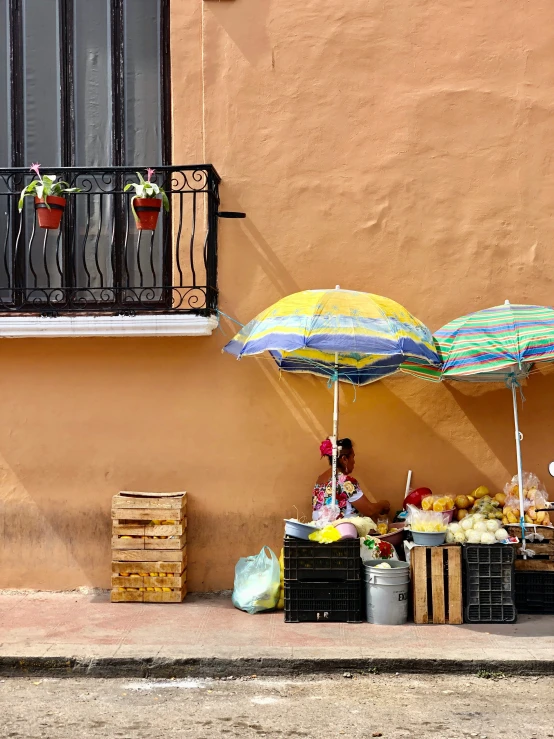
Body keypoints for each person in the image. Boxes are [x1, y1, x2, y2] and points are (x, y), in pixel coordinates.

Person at [312, 438, 391, 521]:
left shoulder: (320, 479)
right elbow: (369, 510)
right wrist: (383, 504)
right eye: (353, 457)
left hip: (320, 530)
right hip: (342, 531)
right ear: (344, 459)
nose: (354, 462)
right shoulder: (345, 481)